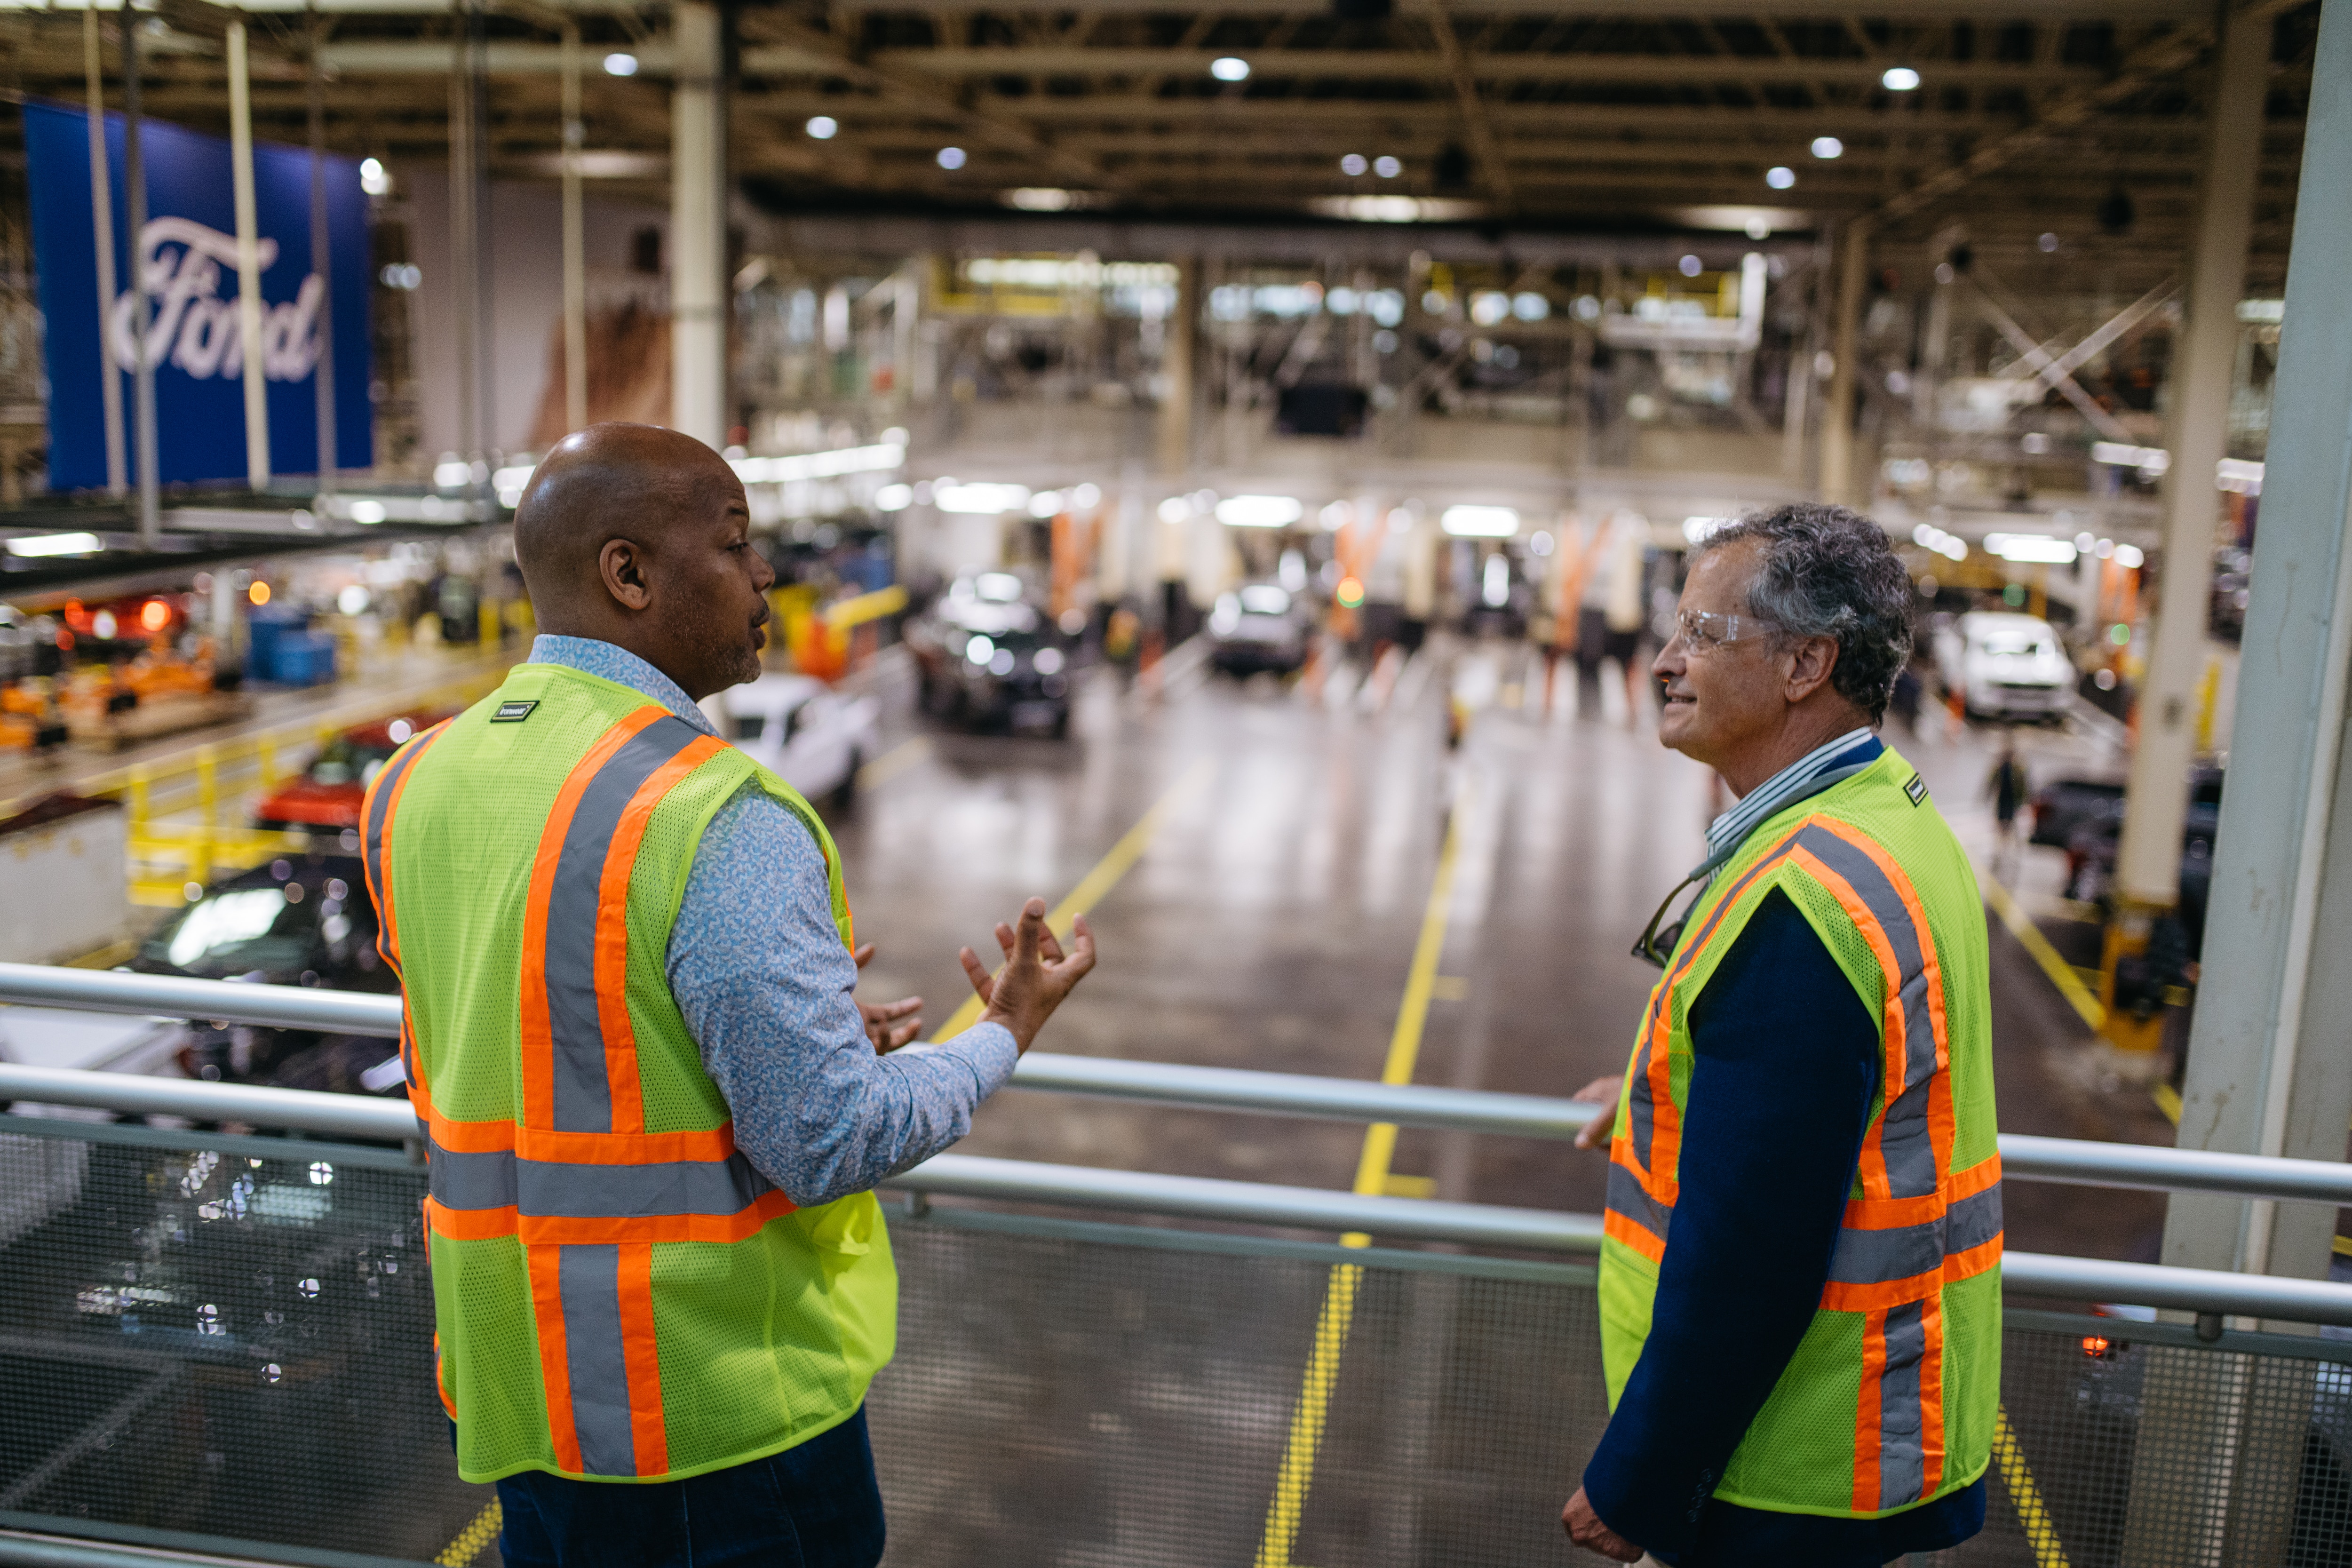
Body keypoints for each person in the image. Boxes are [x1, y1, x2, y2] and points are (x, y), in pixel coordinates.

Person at [361, 422, 1095, 1568]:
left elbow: (528, 1037)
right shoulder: (714, 813)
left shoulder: (412, 783)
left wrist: (759, 1034)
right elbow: (825, 1136)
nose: (768, 576)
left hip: (515, 1391)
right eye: (739, 544)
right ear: (629, 573)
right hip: (708, 1425)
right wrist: (1000, 1031)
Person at [1560, 503, 1999, 1567]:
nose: (1665, 662)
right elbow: (1833, 1096)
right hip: (1858, 1426)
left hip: (1785, 1462)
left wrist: (1642, 1475)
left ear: (1806, 664)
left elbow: (1752, 1248)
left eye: (1704, 635)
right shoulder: (1889, 824)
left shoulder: (1808, 894)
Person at [1986, 736, 2030, 872]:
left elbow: (2024, 785)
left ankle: (2006, 846)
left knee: (2009, 824)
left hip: (2012, 800)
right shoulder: (2001, 767)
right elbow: (1991, 782)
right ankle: (2001, 847)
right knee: (2001, 824)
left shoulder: (2018, 769)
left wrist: (2023, 801)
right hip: (2002, 799)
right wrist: (1986, 796)